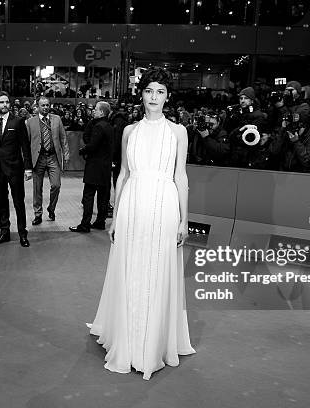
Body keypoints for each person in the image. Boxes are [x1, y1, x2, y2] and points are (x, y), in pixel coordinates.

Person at [87, 66, 196, 380]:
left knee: (157, 271)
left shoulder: (178, 131)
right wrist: (114, 215)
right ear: (142, 94)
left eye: (160, 91)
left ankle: (152, 344)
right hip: (132, 207)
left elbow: (181, 176)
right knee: (132, 269)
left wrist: (183, 220)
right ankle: (129, 339)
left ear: (168, 97)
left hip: (163, 208)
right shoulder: (128, 131)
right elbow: (122, 175)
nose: (154, 97)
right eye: (149, 90)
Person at [0, 92, 32, 248]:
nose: (5, 104)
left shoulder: (18, 121)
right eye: (1, 102)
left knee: (18, 202)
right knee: (1, 201)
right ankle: (4, 232)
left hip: (15, 167)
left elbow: (25, 146)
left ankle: (22, 234)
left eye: (7, 102)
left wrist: (28, 168)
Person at [69, 101, 114, 233]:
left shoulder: (99, 126)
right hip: (105, 167)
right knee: (103, 196)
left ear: (101, 112)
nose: (93, 111)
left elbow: (93, 145)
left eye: (95, 109)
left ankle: (85, 224)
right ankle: (100, 221)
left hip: (95, 167)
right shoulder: (109, 126)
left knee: (88, 196)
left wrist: (82, 150)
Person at [25, 96, 69, 225]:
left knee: (56, 185)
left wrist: (66, 154)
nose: (45, 107)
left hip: (53, 157)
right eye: (42, 105)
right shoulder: (30, 122)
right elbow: (26, 144)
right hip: (38, 158)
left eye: (47, 105)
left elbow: (63, 138)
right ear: (37, 107)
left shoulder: (57, 119)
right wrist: (26, 163)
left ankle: (51, 208)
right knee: (37, 188)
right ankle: (37, 214)